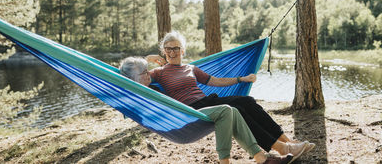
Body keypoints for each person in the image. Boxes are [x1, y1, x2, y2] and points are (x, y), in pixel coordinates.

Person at [145, 31, 315, 162]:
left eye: (175, 48)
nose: (172, 52)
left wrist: (241, 79)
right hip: (192, 109)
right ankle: (280, 148)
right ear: (164, 51)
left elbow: (216, 81)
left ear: (182, 51)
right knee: (237, 109)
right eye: (168, 49)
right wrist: (147, 59)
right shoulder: (159, 72)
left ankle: (288, 142)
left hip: (208, 100)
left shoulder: (191, 68)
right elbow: (134, 77)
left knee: (247, 101)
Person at [120, 57, 294, 164]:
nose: (148, 72)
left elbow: (173, 70)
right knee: (227, 110)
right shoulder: (141, 93)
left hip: (185, 115)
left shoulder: (153, 86)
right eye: (143, 72)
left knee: (233, 110)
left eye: (147, 70)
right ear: (134, 79)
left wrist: (241, 79)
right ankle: (226, 161)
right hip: (181, 122)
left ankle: (261, 158)